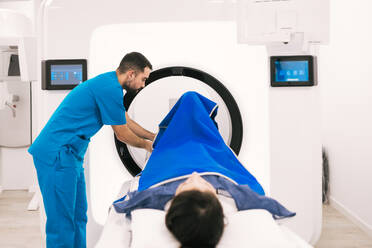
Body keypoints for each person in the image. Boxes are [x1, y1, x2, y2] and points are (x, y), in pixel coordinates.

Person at [113, 92, 296, 248]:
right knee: (195, 109)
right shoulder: (235, 194)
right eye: (202, 185)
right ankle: (202, 128)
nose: (193, 176)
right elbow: (259, 197)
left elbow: (131, 200)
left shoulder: (155, 194)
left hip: (172, 154)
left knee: (189, 102)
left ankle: (184, 129)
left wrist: (158, 144)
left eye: (184, 186)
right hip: (208, 152)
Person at [28, 52, 155, 248]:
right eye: (143, 79)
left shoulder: (109, 84)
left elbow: (126, 120)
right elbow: (121, 133)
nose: (143, 85)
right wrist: (147, 146)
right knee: (62, 222)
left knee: (79, 216)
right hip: (57, 154)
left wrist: (153, 137)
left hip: (71, 156)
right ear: (131, 74)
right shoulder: (109, 88)